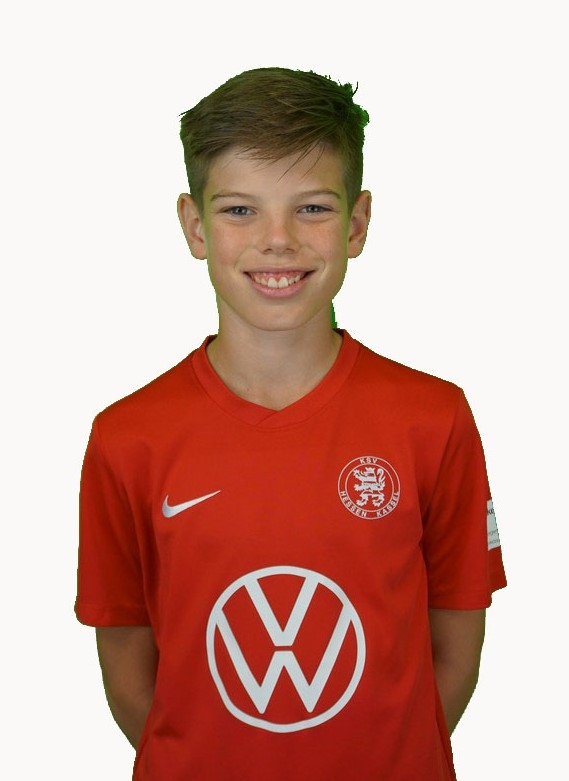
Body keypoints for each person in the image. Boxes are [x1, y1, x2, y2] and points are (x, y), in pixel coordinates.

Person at [75, 67, 507, 780]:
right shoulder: (128, 437)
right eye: (240, 210)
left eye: (311, 208)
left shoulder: (434, 418)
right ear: (193, 226)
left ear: (357, 223)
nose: (277, 240)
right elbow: (126, 658)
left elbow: (456, 642)